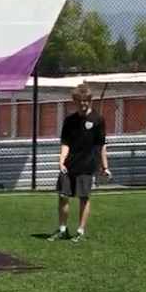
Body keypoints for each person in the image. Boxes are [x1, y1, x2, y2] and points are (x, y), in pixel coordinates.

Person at [49, 84, 109, 241]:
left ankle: (80, 232)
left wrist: (105, 167)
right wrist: (61, 160)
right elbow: (65, 143)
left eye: (86, 100)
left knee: (84, 198)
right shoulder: (70, 121)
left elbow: (101, 145)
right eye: (80, 100)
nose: (83, 103)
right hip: (70, 165)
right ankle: (62, 230)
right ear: (75, 101)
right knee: (63, 197)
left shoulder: (98, 120)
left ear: (90, 100)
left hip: (87, 165)